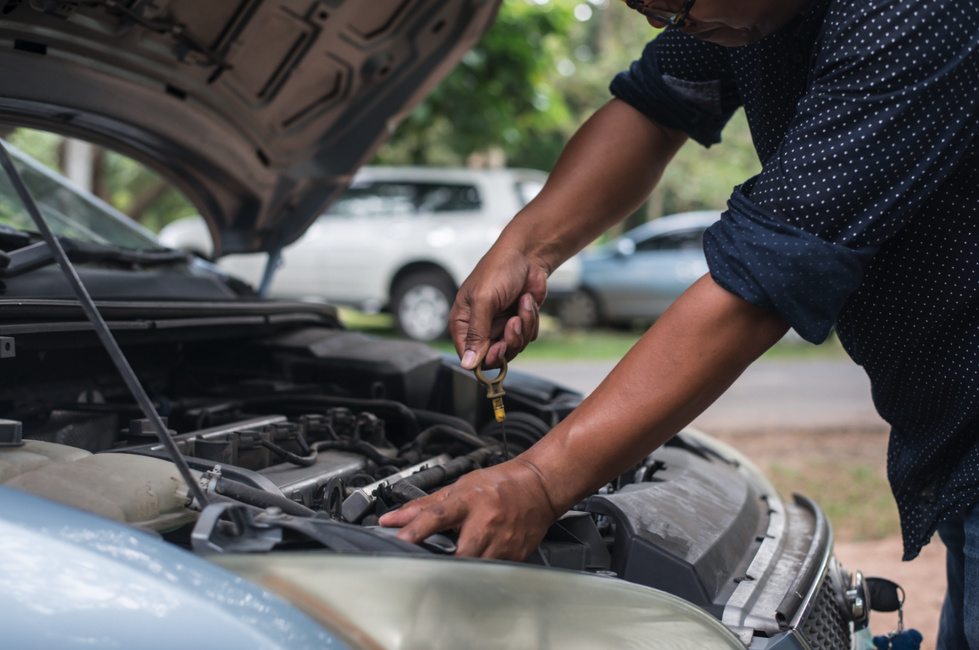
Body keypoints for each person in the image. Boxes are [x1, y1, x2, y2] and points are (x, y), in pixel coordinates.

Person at [380, 0, 979, 646]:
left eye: (671, 4)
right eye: (643, 6)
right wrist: (523, 248)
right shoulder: (730, 16)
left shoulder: (913, 13)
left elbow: (766, 273)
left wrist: (539, 479)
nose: (658, 20)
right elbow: (653, 108)